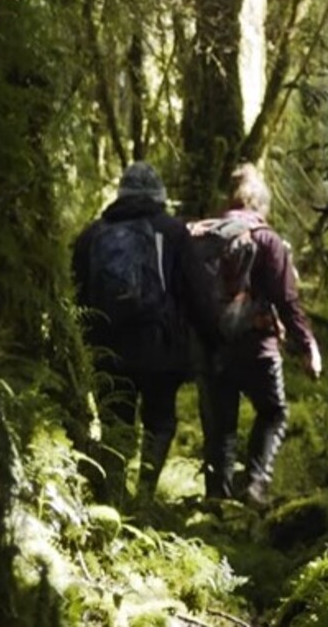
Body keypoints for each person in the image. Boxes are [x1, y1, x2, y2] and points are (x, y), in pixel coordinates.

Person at [72, 161, 220, 506]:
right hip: (160, 348)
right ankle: (145, 496)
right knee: (160, 420)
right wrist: (215, 341)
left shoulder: (91, 236)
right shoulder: (172, 231)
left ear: (120, 192)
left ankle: (113, 497)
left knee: (115, 420)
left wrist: (83, 346)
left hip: (107, 347)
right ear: (159, 195)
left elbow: (77, 296)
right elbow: (196, 293)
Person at [198, 162, 322, 509]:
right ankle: (255, 486)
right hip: (256, 345)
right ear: (261, 204)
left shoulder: (204, 235)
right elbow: (287, 299)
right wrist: (307, 346)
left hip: (212, 347)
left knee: (221, 427)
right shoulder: (267, 238)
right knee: (273, 413)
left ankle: (216, 500)